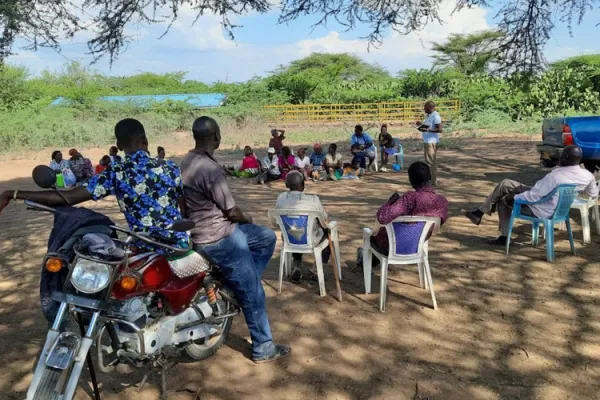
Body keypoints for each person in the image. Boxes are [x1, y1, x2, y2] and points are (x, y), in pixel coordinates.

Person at [0, 119, 189, 320]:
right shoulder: (170, 167)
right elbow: (183, 207)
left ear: (118, 145)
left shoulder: (118, 171)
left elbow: (69, 197)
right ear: (145, 140)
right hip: (177, 243)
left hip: (145, 246)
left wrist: (14, 194)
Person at [180, 116, 290, 364]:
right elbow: (231, 211)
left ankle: (232, 288)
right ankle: (263, 347)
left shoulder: (187, 162)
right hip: (220, 237)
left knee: (265, 237)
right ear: (217, 137)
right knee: (253, 291)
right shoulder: (210, 169)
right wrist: (247, 217)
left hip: (202, 233)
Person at [463, 145, 599, 245]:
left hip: (540, 208)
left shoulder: (555, 176)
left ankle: (504, 236)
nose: (560, 157)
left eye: (562, 155)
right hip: (558, 208)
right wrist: (572, 193)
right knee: (506, 184)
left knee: (504, 200)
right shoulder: (587, 176)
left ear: (567, 158)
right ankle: (479, 213)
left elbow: (533, 197)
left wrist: (513, 197)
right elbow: (593, 194)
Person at [372, 162, 449, 254]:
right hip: (417, 245)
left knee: (373, 238)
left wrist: (389, 203)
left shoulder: (410, 197)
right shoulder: (442, 201)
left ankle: (365, 262)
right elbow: (436, 226)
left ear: (411, 180)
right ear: (430, 177)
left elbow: (382, 218)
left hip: (393, 247)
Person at [275, 171, 331, 283]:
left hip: (290, 239)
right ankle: (315, 270)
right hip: (311, 240)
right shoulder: (314, 200)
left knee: (296, 231)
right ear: (303, 185)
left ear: (286, 185)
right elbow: (324, 218)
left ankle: (297, 266)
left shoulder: (280, 198)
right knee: (328, 233)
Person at [418, 101, 442, 186]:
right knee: (428, 161)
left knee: (431, 162)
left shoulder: (435, 116)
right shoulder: (429, 116)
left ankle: (433, 181)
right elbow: (428, 126)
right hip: (427, 141)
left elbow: (440, 129)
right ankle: (430, 180)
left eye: (425, 107)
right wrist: (421, 125)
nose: (424, 109)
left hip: (431, 142)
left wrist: (427, 130)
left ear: (430, 107)